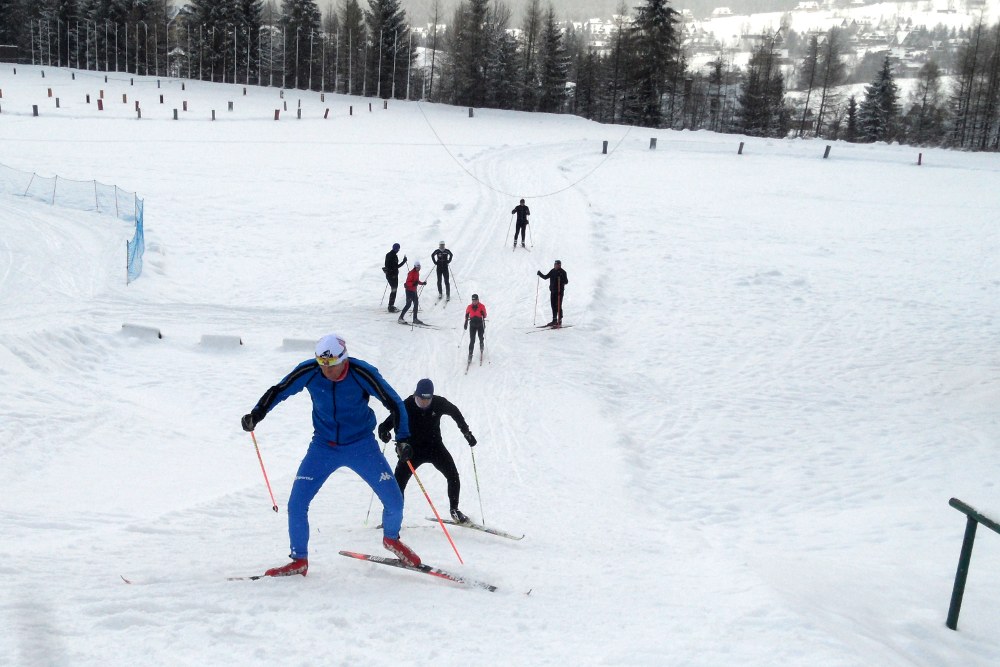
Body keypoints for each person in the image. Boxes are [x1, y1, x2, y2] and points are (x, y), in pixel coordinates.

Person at [241, 333, 421, 576]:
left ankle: (391, 540)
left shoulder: (361, 372)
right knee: (296, 503)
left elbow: (394, 402)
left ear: (343, 359)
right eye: (322, 365)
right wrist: (257, 414)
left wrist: (403, 439)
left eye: (332, 365)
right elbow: (280, 390)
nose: (327, 371)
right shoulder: (310, 371)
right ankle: (299, 560)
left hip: (362, 446)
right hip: (323, 447)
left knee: (394, 501)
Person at [378, 379, 478, 525]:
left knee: (453, 475)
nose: (424, 403)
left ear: (432, 397)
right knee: (398, 482)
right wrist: (384, 433)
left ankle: (455, 510)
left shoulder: (439, 403)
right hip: (412, 451)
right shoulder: (406, 405)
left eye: (427, 400)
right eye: (420, 399)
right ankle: (394, 517)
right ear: (415, 396)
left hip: (435, 447)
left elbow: (455, 412)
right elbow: (385, 425)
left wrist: (466, 432)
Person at [537, 260, 568, 326]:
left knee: (558, 306)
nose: (555, 265)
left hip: (559, 292)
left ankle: (559, 321)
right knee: (553, 306)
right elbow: (545, 277)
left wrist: (561, 277)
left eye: (557, 264)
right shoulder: (552, 271)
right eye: (555, 264)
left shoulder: (563, 272)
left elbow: (566, 281)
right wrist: (540, 274)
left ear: (560, 265)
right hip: (553, 291)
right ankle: (554, 320)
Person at [398, 260, 426, 325]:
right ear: (415, 267)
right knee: (408, 304)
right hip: (409, 291)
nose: (419, 268)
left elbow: (417, 281)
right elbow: (407, 283)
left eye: (419, 267)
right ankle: (400, 318)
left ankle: (415, 319)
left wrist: (422, 283)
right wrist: (413, 284)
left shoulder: (417, 272)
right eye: (417, 267)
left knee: (416, 304)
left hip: (414, 291)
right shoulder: (411, 273)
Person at [383, 243, 407, 313]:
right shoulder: (393, 256)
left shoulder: (389, 254)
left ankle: (391, 305)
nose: (398, 250)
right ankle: (390, 306)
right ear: (396, 248)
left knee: (393, 290)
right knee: (394, 290)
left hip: (390, 275)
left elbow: (388, 265)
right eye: (398, 249)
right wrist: (404, 261)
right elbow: (396, 266)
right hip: (392, 276)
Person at [464, 294, 487, 362]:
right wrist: (465, 322)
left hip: (480, 324)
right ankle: (470, 355)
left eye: (475, 300)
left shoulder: (482, 306)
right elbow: (466, 315)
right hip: (472, 325)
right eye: (473, 300)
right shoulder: (469, 307)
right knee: (472, 340)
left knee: (480, 337)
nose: (474, 302)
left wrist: (483, 313)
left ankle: (481, 345)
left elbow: (485, 315)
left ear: (478, 300)